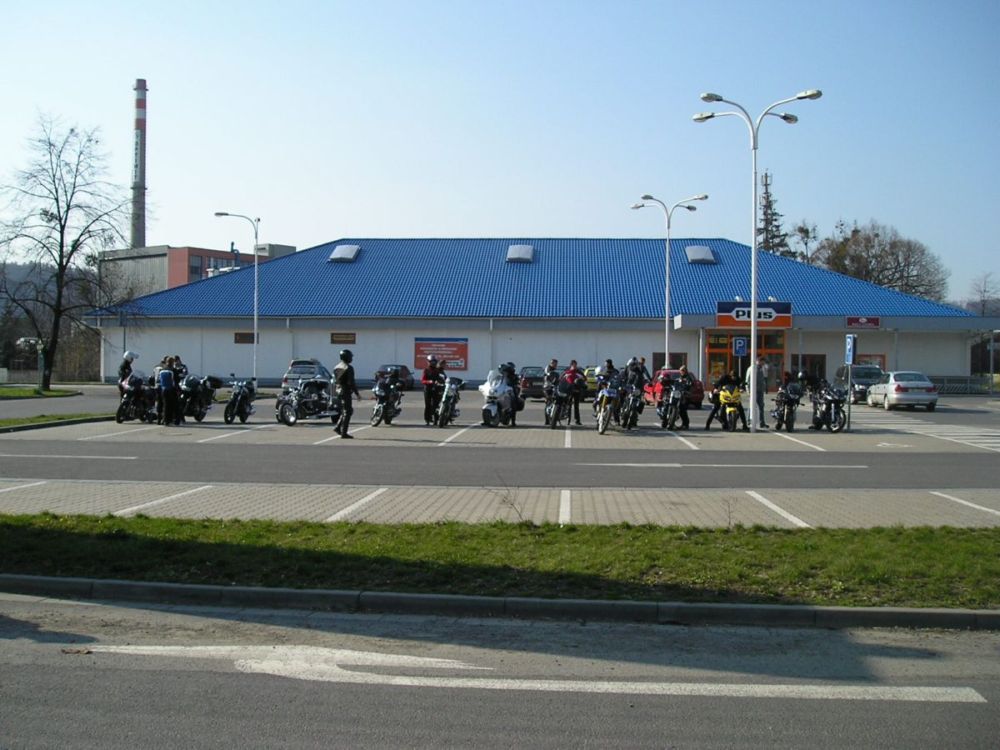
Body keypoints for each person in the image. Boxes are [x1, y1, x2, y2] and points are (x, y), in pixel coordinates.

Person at [333, 349, 361, 438]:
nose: (351, 358)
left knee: (347, 410)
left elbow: (335, 380)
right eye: (350, 356)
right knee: (347, 411)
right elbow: (351, 382)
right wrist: (357, 393)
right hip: (345, 391)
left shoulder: (336, 367)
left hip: (338, 390)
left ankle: (338, 427)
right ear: (347, 357)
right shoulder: (348, 368)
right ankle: (343, 432)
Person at [421, 355, 446, 425]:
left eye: (434, 362)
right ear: (428, 362)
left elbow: (443, 377)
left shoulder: (438, 370)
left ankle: (436, 419)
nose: (433, 363)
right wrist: (429, 382)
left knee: (436, 404)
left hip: (437, 388)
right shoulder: (426, 370)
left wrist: (441, 381)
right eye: (431, 362)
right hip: (428, 389)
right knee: (428, 404)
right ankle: (427, 419)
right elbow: (423, 380)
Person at [745, 355, 769, 428]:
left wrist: (765, 388)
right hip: (753, 390)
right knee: (752, 406)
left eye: (764, 362)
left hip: (760, 390)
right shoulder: (751, 368)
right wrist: (748, 390)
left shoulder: (763, 368)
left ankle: (762, 423)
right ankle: (749, 421)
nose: (763, 363)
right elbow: (747, 380)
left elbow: (764, 379)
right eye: (762, 362)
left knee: (761, 406)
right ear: (758, 361)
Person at [158, 356, 179, 426]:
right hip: (171, 389)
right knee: (174, 405)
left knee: (165, 405)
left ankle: (165, 420)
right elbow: (176, 380)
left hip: (163, 389)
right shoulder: (173, 370)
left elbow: (159, 379)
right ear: (172, 363)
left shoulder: (162, 370)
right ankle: (173, 420)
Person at [564, 359, 584, 424]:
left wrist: (581, 380)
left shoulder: (578, 372)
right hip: (569, 390)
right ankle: (568, 419)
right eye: (573, 365)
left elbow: (584, 378)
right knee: (568, 405)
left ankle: (577, 420)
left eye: (575, 365)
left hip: (577, 390)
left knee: (576, 406)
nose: (575, 366)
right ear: (571, 365)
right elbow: (562, 378)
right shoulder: (567, 371)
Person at [501, 361, 520, 426]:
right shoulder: (503, 374)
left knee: (513, 404)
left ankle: (513, 421)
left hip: (510, 390)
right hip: (503, 390)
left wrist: (516, 380)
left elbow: (516, 381)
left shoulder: (513, 375)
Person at [542, 358, 560, 425]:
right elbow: (548, 374)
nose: (555, 365)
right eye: (554, 364)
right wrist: (549, 376)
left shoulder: (555, 371)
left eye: (556, 364)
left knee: (555, 400)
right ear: (551, 363)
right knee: (548, 402)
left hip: (553, 388)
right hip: (547, 388)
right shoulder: (548, 368)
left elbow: (557, 379)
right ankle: (547, 420)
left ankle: (554, 416)